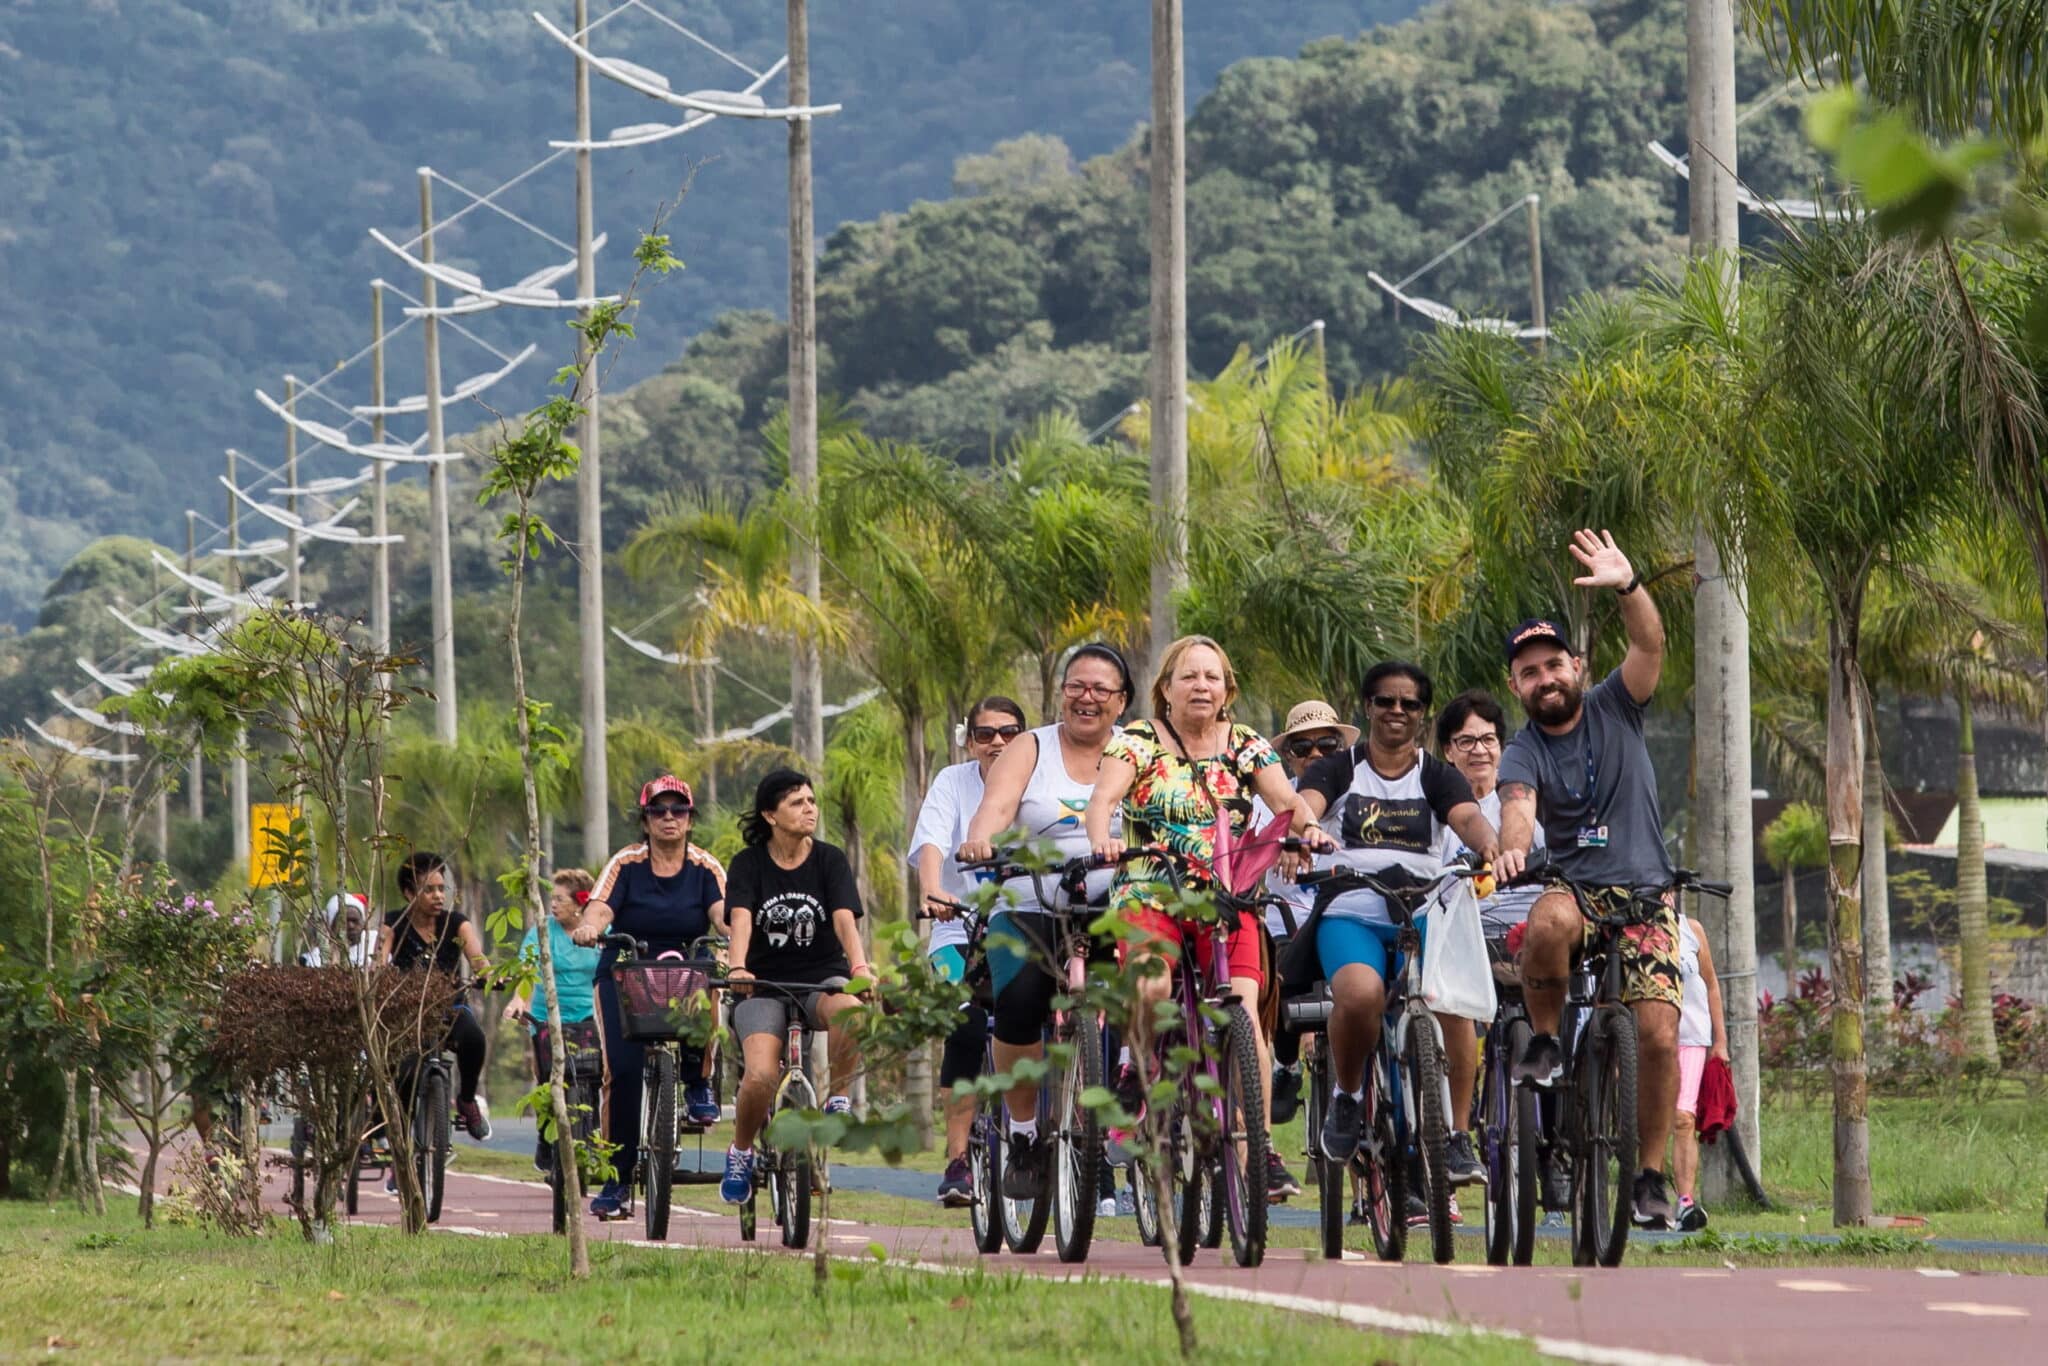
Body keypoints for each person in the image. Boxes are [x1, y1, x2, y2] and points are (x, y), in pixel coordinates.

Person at [1084, 635, 1329, 1202]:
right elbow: (1103, 802)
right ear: (1166, 689)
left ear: (1227, 690)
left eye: (1212, 677)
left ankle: (1259, 1148)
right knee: (1150, 984)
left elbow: (1287, 802)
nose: (1201, 686)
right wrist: (1102, 841)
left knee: (1245, 1017)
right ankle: (1138, 1068)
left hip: (1226, 899)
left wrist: (1310, 829)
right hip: (1151, 893)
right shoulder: (1138, 740)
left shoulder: (1245, 744)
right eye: (1189, 676)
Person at [1494, 528, 1686, 1228]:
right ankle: (1546, 1043)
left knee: (1658, 1034)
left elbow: (1650, 643)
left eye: (1554, 664)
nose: (1545, 678)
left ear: (1577, 666)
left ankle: (1649, 1178)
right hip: (1576, 891)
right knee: (1546, 920)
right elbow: (1518, 808)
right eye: (1530, 672)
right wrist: (1513, 850)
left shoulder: (1617, 703)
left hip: (1645, 894)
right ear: (1516, 686)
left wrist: (1627, 584)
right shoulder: (1522, 750)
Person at [1296, 662, 1499, 1222]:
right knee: (1359, 995)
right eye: (1385, 701)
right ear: (1368, 707)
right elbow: (1307, 805)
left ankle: (1457, 1135)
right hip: (1351, 912)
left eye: (1409, 704)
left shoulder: (1437, 776)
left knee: (1452, 1001)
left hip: (1423, 913)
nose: (1396, 711)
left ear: (1422, 715)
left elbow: (1468, 818)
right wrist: (1305, 830)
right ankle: (1347, 1097)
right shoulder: (1339, 768)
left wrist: (1491, 846)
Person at [957, 644, 1130, 1203]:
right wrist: (981, 838)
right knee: (1020, 999)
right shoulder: (1030, 748)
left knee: (1148, 989)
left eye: (1101, 689)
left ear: (1121, 701)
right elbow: (996, 806)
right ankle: (1025, 1132)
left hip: (1112, 903)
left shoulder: (1135, 750)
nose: (1087, 698)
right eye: (1076, 686)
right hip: (1029, 897)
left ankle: (1130, 1097)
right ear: (1061, 695)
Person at [1435, 688, 1569, 1211]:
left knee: (1560, 1030)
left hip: (1525, 936)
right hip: (1462, 938)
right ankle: (1456, 1132)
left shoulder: (1523, 800)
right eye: (1466, 741)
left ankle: (1556, 1150)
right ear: (1448, 750)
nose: (1479, 751)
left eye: (1489, 739)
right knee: (1447, 1017)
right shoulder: (1437, 804)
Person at [571, 775, 728, 1220]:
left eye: (678, 810)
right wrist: (590, 927)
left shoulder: (705, 867)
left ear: (690, 819)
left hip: (686, 968)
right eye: (659, 810)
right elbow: (600, 907)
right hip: (628, 969)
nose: (668, 818)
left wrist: (735, 932)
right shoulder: (626, 863)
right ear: (645, 820)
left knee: (713, 978)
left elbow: (723, 913)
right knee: (621, 1072)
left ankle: (697, 1082)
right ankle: (617, 1181)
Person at [719, 769, 873, 1206]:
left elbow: (844, 919)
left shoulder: (829, 859)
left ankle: (838, 1100)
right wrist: (738, 967)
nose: (810, 809)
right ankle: (741, 1151)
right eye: (797, 803)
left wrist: (860, 967)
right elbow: (741, 920)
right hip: (763, 987)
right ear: (770, 815)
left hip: (821, 979)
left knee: (852, 1012)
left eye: (811, 800)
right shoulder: (748, 864)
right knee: (761, 1076)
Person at [907, 695, 1027, 1205]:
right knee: (966, 1023)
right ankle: (958, 1161)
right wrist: (933, 892)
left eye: (1009, 733)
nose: (997, 742)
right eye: (985, 734)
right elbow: (932, 843)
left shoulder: (1041, 780)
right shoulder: (952, 783)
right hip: (958, 930)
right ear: (969, 741)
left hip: (1026, 926)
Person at [1256, 700, 1357, 1131]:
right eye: (1303, 748)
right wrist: (1278, 842)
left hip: (1352, 916)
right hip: (1290, 920)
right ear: (1289, 756)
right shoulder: (1269, 805)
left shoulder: (1362, 800)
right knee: (1277, 978)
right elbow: (1244, 861)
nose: (1316, 755)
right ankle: (1286, 1064)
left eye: (1327, 745)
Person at [377, 852, 493, 1140]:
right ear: (409, 893)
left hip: (450, 1006)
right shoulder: (393, 923)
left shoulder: (457, 923)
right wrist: (378, 975)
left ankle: (466, 1100)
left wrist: (490, 976)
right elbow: (379, 959)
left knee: (474, 1039)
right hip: (408, 1012)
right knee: (405, 1073)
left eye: (441, 888)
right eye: (428, 890)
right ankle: (401, 1141)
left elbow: (478, 960)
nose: (438, 896)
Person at [504, 868, 603, 1173]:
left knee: (594, 1076)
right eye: (553, 898)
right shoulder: (542, 929)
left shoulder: (600, 931)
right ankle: (546, 1137)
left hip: (589, 1016)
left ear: (580, 903)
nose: (554, 904)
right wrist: (519, 1001)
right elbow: (527, 968)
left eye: (560, 899)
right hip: (547, 1017)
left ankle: (593, 1135)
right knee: (547, 1078)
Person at [1670, 914, 1728, 1231]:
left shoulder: (1691, 930)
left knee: (1683, 1118)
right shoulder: (1630, 929)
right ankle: (1645, 1194)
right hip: (1646, 1040)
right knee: (1646, 1123)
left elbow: (1711, 985)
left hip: (1691, 1037)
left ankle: (1685, 1202)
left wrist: (1720, 1041)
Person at [301, 892, 372, 968]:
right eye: (344, 922)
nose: (351, 926)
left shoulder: (374, 944)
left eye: (354, 920)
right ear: (332, 925)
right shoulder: (315, 958)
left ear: (363, 923)